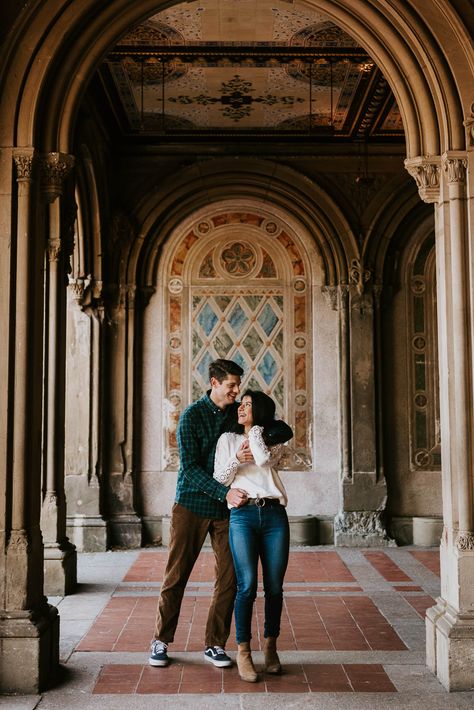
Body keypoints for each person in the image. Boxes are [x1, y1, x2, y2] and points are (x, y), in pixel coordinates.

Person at [149, 359, 292, 669]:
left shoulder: (236, 412)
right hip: (191, 505)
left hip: (229, 510)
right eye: (231, 386)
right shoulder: (191, 416)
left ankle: (214, 644)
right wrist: (223, 491)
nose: (236, 392)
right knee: (176, 574)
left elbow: (280, 427)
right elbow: (190, 470)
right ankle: (160, 639)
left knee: (229, 578)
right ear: (214, 383)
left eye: (238, 386)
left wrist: (261, 439)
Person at [213, 390, 290, 683]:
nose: (240, 408)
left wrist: (256, 431)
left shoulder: (274, 442)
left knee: (274, 587)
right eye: (240, 404)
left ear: (259, 410)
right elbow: (220, 478)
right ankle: (243, 651)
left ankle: (270, 647)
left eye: (247, 404)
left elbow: (262, 459)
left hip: (274, 516)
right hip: (243, 516)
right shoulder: (227, 440)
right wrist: (235, 457)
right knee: (246, 586)